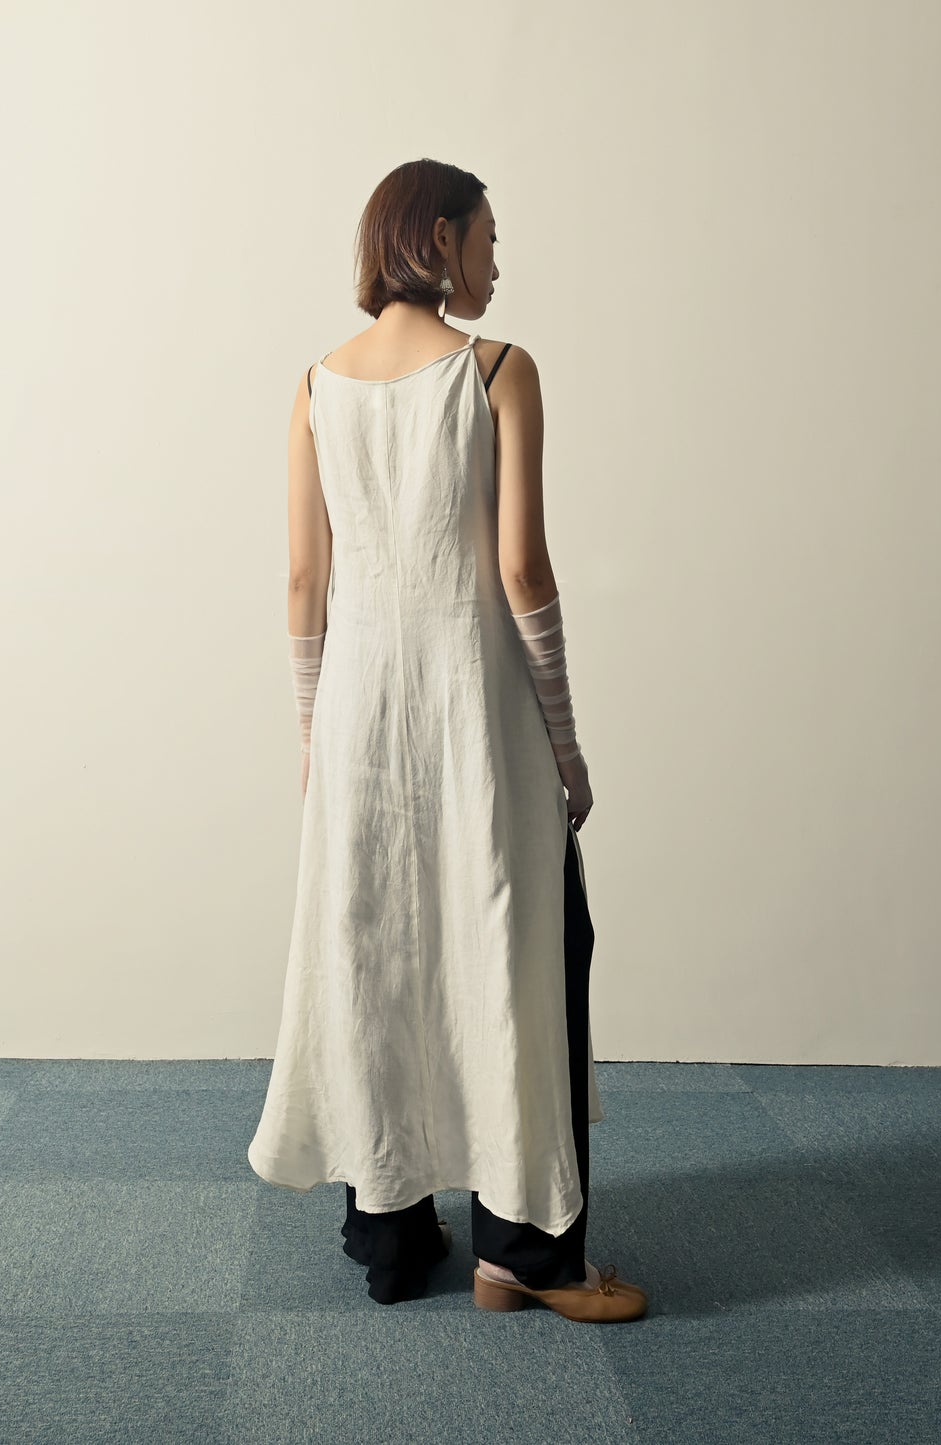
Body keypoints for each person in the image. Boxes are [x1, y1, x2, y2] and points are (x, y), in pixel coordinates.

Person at [247, 159, 646, 1323]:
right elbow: (521, 570)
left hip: (361, 710)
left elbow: (302, 579)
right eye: (486, 238)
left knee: (376, 949)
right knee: (517, 949)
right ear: (436, 239)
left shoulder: (313, 386)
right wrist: (565, 742)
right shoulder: (497, 372)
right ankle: (526, 1254)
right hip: (474, 705)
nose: (496, 262)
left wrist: (312, 733)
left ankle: (391, 1225)